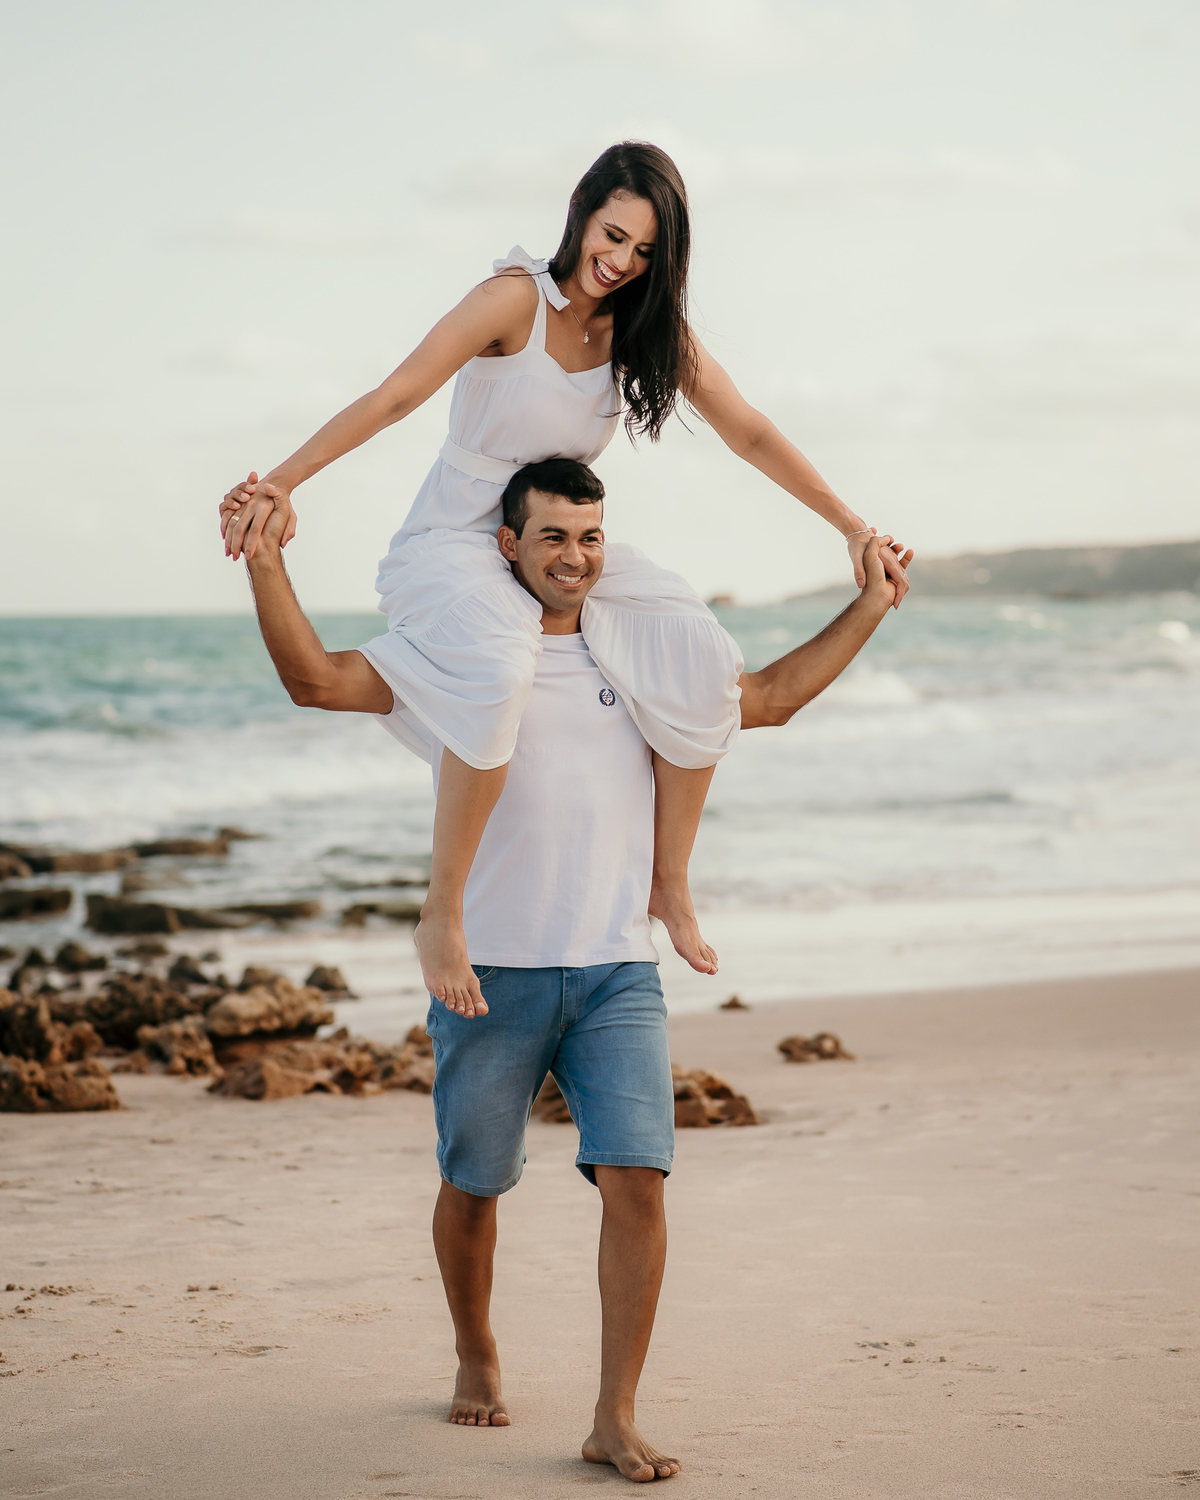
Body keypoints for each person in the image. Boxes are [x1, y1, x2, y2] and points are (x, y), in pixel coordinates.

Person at [235, 455, 913, 1484]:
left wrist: (870, 603)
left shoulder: (638, 649)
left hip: (614, 971)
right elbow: (316, 681)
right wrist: (266, 562)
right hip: (490, 975)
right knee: (474, 1183)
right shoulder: (462, 652)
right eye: (552, 536)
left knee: (639, 1179)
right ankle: (475, 1351)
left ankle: (613, 1414)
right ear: (508, 542)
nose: (574, 556)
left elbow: (767, 699)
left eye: (590, 537)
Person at [218, 140, 910, 1026]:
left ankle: (668, 884)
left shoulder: (644, 330)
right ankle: (443, 914)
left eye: (645, 251)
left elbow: (749, 430)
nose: (621, 261)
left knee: (699, 650)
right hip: (459, 540)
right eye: (613, 235)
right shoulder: (513, 300)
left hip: (559, 543)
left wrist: (852, 527)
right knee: (500, 664)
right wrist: (283, 481)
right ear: (581, 212)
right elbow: (396, 395)